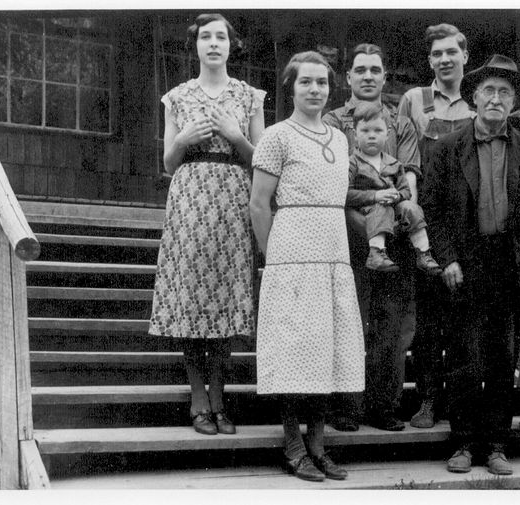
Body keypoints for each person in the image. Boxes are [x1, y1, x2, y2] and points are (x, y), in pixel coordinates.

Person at [420, 54, 520, 475]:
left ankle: (496, 444)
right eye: (489, 92)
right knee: (463, 356)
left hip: (509, 264)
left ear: (513, 103)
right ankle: (462, 444)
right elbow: (433, 208)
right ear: (474, 98)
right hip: (464, 262)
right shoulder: (446, 148)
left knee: (500, 358)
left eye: (505, 93)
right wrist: (447, 259)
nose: (496, 99)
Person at [249, 51, 364, 482]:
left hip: (333, 251)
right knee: (294, 348)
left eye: (321, 83)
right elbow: (260, 204)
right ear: (290, 87)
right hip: (292, 251)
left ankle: (318, 444)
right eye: (305, 83)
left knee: (328, 349)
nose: (315, 90)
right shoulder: (277, 137)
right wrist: (272, 256)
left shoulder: (338, 138)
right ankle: (293, 445)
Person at [149, 13, 265, 437]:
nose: (213, 43)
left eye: (221, 37)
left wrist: (236, 136)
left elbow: (259, 160)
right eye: (205, 37)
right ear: (195, 45)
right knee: (192, 299)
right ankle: (198, 396)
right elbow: (167, 161)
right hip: (190, 198)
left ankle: (220, 396)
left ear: (231, 45)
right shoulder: (177, 97)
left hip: (233, 200)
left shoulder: (250, 96)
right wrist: (182, 139)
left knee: (226, 298)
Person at [322, 43, 420, 433]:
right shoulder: (332, 120)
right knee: (349, 321)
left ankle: (384, 407)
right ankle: (346, 408)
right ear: (348, 77)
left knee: (391, 326)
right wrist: (362, 225)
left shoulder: (401, 124)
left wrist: (402, 214)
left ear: (384, 76)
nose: (367, 76)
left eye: (374, 70)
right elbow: (330, 181)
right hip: (345, 235)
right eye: (359, 70)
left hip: (393, 237)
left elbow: (409, 176)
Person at [396, 23, 477, 429]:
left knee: (461, 316)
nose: (444, 59)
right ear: (429, 60)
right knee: (426, 320)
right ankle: (427, 400)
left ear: (465, 56)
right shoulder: (414, 99)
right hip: (423, 222)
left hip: (465, 223)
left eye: (451, 52)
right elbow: (399, 159)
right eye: (436, 54)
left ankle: (457, 401)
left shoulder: (477, 105)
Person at [348, 101, 441, 274]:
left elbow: (406, 191)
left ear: (388, 133)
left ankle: (423, 253)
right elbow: (345, 193)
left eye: (378, 131)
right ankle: (376, 253)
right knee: (380, 208)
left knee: (411, 207)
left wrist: (397, 196)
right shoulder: (352, 163)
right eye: (365, 131)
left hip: (393, 209)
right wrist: (375, 196)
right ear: (355, 134)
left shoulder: (394, 163)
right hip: (365, 211)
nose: (371, 136)